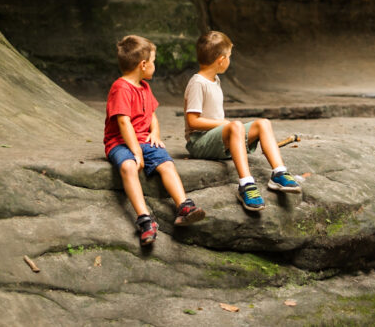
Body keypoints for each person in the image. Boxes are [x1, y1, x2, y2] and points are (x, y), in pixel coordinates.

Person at [183, 31, 301, 212]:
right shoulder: (198, 83)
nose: (230, 60)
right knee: (236, 125)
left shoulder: (214, 80)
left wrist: (226, 125)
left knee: (263, 123)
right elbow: (192, 122)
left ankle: (279, 172)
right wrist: (225, 124)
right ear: (221, 60)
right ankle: (246, 184)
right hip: (200, 142)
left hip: (218, 138)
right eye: (229, 56)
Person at [104, 34, 205, 245]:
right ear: (143, 65)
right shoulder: (121, 88)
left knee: (166, 163)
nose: (154, 66)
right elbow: (123, 123)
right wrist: (137, 152)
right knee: (129, 167)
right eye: (153, 62)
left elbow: (152, 115)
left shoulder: (144, 87)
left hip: (143, 140)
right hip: (120, 142)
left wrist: (155, 134)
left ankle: (184, 205)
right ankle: (144, 219)